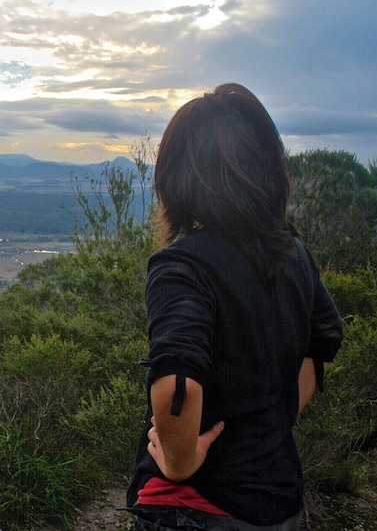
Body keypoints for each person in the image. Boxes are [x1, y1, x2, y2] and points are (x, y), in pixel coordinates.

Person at [125, 83, 344, 530]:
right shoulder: (294, 255)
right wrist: (273, 419)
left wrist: (180, 461)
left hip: (194, 507)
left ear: (178, 175)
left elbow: (176, 383)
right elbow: (324, 342)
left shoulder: (182, 266)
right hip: (278, 500)